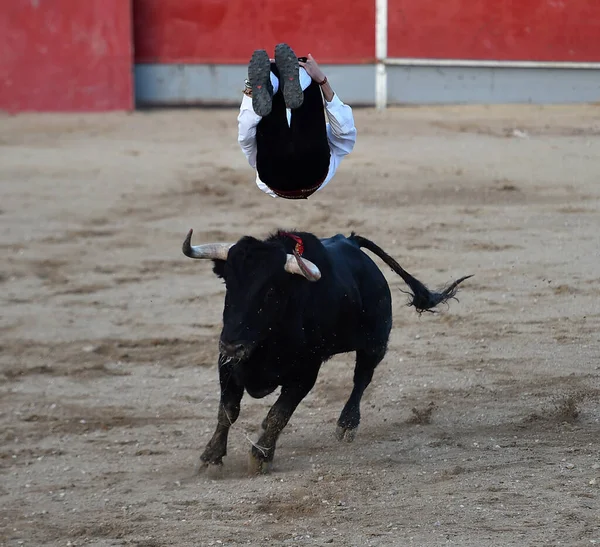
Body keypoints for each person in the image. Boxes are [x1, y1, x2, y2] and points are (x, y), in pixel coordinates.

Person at [237, 43, 357, 199]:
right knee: (267, 119)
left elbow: (344, 132)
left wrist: (321, 80)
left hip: (292, 172)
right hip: (284, 174)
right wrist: (249, 96)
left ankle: (287, 78)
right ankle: (275, 80)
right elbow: (246, 138)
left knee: (303, 72)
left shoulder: (325, 140)